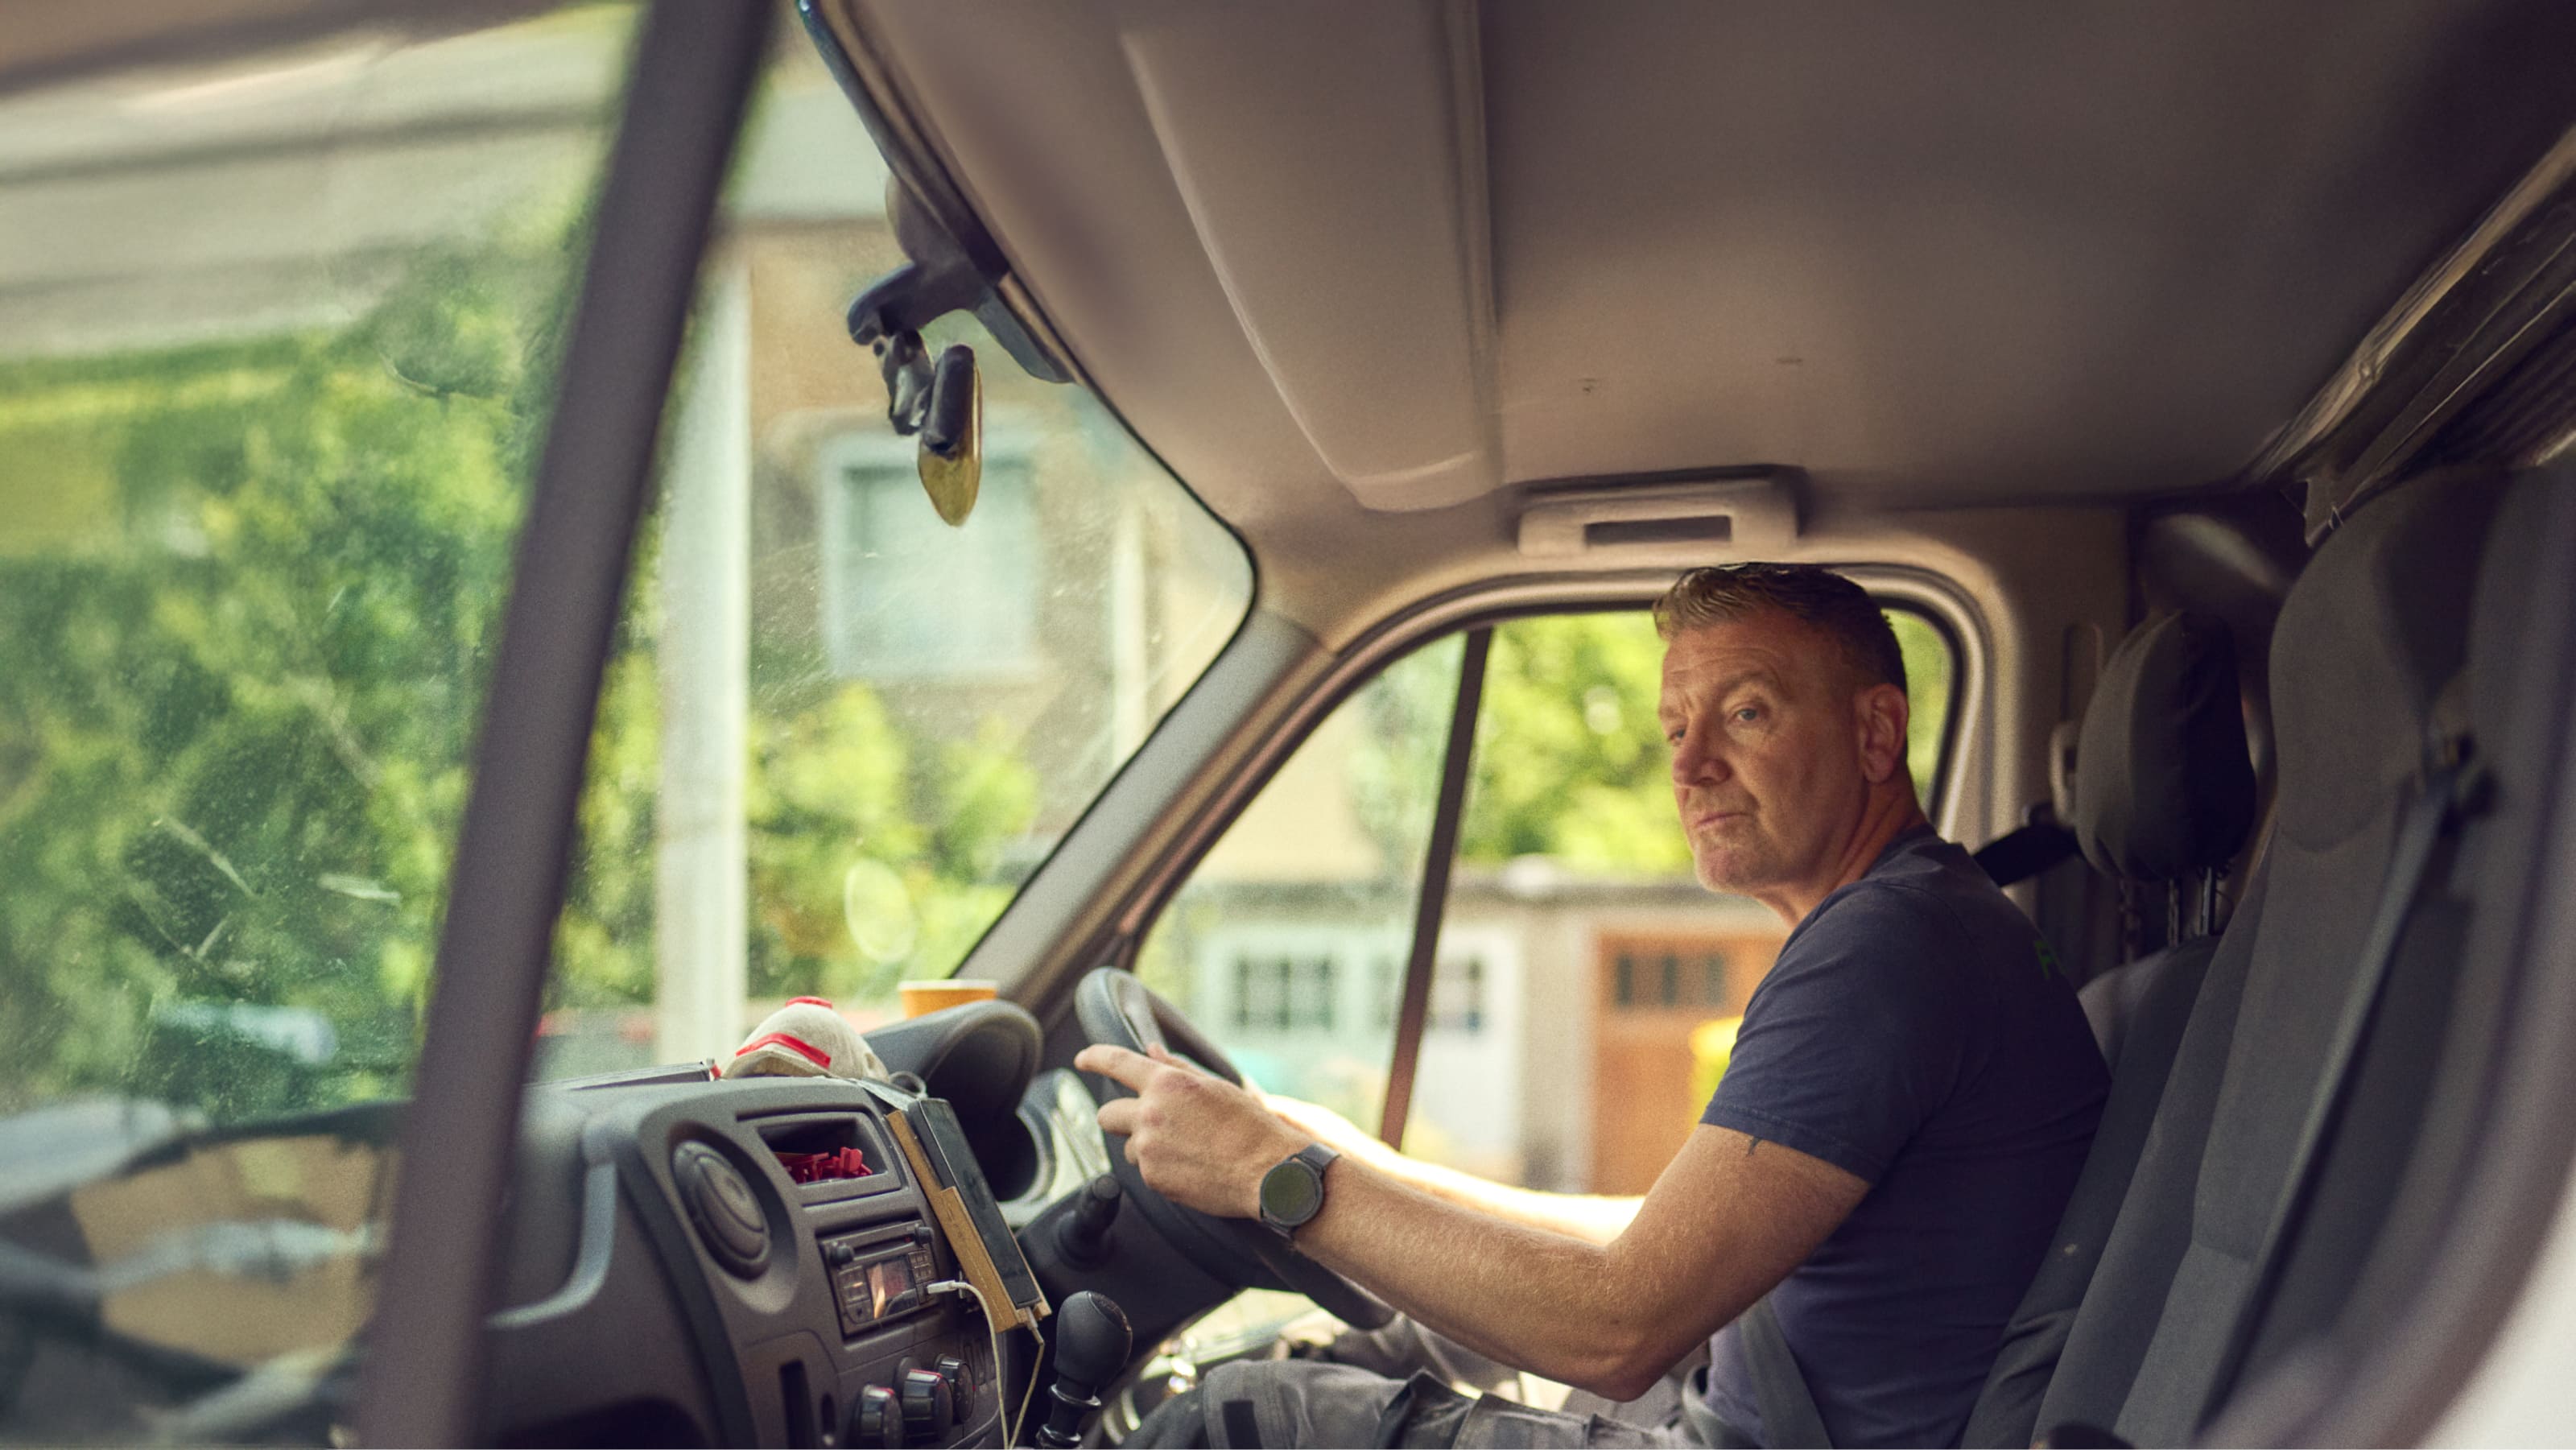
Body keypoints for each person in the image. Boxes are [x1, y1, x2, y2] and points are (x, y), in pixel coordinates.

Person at [1080, 564, 2109, 1448]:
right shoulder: (1917, 922)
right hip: (1733, 1409)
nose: (1690, 765)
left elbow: (1617, 1328)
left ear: (1875, 730)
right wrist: (1351, 1161)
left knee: (1246, 1413)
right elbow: (1655, 1237)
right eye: (1673, 727)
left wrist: (1271, 1176)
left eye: (1743, 713)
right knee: (1382, 1340)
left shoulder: (1887, 948)